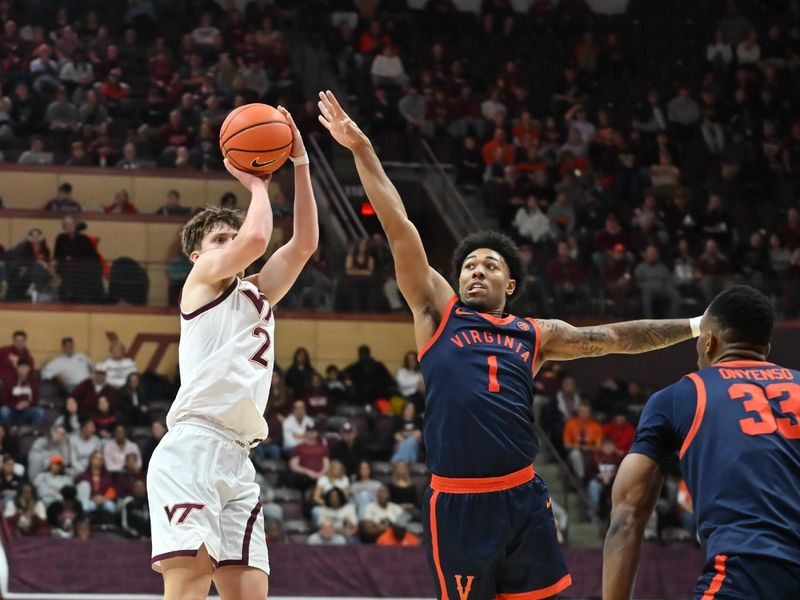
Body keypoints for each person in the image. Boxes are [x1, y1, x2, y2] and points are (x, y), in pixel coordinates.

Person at [318, 89, 702, 599]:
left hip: (523, 496)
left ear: (510, 286)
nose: (476, 270)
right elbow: (399, 227)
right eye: (469, 265)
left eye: (489, 265)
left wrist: (696, 325)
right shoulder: (439, 313)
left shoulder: (534, 334)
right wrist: (362, 150)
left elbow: (613, 337)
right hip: (459, 503)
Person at [147, 105, 317, 600]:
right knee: (191, 588)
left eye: (232, 234)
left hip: (239, 458)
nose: (234, 242)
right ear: (199, 256)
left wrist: (300, 164)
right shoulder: (199, 282)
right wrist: (258, 183)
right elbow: (259, 236)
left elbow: (304, 243)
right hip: (192, 449)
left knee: (249, 594)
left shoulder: (259, 291)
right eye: (221, 239)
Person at [604, 286, 800, 599]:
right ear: (767, 347)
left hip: (747, 572)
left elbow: (627, 518)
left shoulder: (679, 397)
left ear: (708, 342)